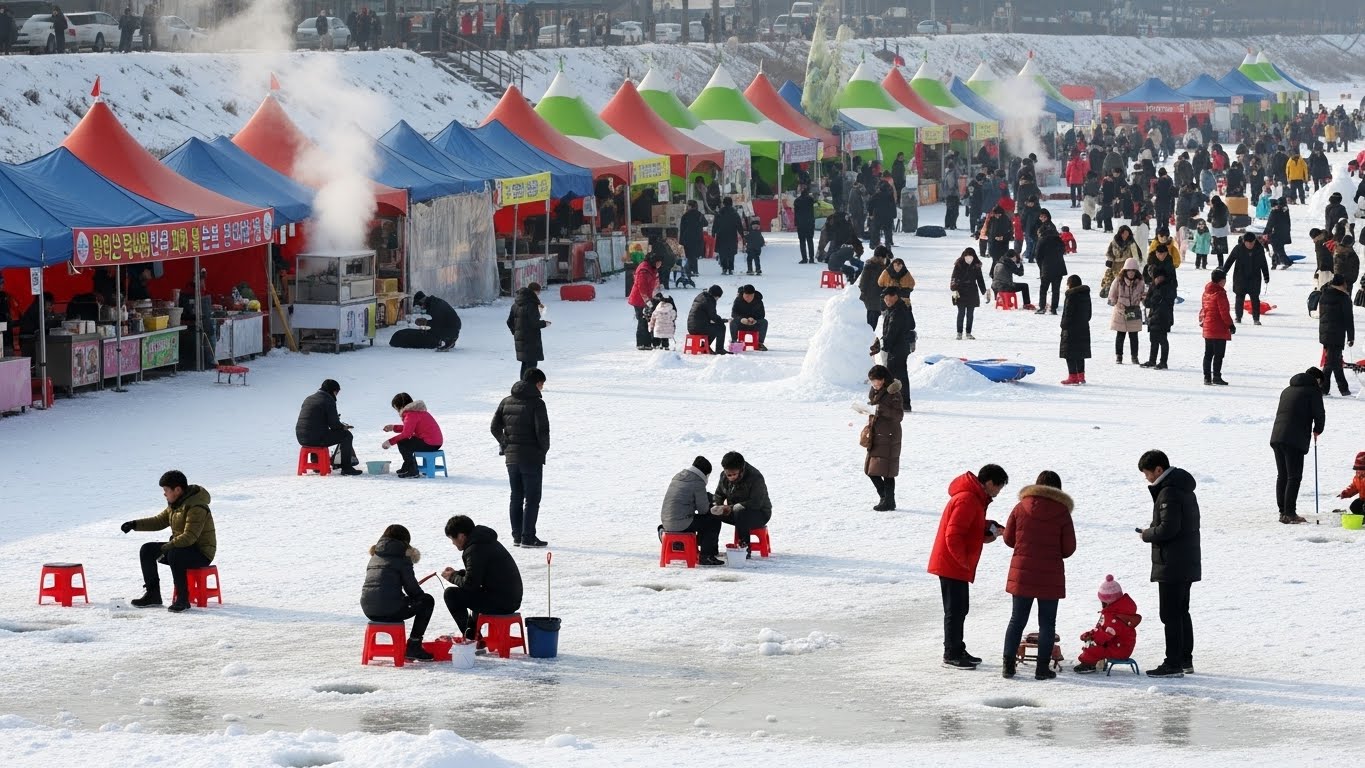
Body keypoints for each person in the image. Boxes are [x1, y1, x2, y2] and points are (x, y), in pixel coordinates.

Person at [927, 464, 1008, 669]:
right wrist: (962, 561)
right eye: (999, 487)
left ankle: (957, 648)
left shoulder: (974, 499)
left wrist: (991, 529)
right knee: (955, 610)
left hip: (956, 564)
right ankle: (951, 653)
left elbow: (972, 527)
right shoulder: (967, 499)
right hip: (951, 564)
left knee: (961, 608)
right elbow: (953, 535)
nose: (998, 492)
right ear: (989, 483)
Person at [1000, 470, 1076, 680]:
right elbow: (1069, 548)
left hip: (1023, 572)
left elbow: (1008, 538)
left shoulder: (1020, 507)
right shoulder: (1061, 512)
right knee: (1047, 623)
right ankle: (1042, 669)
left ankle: (1008, 666)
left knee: (1017, 619)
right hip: (1050, 575)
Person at [1136, 450, 1201, 678]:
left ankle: (1173, 662)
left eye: (1147, 474)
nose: (1147, 479)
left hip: (1173, 563)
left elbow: (1168, 529)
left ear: (1158, 470)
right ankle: (1185, 660)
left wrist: (1147, 534)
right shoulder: (1181, 488)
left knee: (1170, 614)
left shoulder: (1169, 492)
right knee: (1182, 611)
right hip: (1185, 561)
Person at [118, 470, 216, 613]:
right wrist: (134, 524)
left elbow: (190, 536)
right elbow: (159, 521)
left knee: (175, 554)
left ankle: (183, 598)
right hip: (181, 548)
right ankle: (153, 595)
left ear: (177, 490)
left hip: (201, 553)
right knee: (147, 549)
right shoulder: (176, 504)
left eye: (166, 490)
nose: (164, 494)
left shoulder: (197, 506)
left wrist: (168, 547)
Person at [490, 368, 550, 548]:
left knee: (516, 496)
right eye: (541, 384)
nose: (542, 388)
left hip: (512, 459)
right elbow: (543, 431)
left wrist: (505, 443)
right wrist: (542, 450)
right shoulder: (537, 404)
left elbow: (494, 427)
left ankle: (517, 535)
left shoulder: (506, 401)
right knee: (532, 498)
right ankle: (528, 536)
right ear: (536, 383)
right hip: (531, 457)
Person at [440, 515, 523, 643]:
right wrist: (457, 574)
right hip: (509, 598)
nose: (453, 543)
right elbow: (478, 576)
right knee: (475, 593)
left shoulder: (474, 549)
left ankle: (471, 636)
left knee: (451, 594)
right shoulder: (484, 541)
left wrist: (452, 577)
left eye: (453, 539)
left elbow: (470, 584)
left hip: (502, 602)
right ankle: (473, 633)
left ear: (461, 536)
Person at [361, 524, 436, 661]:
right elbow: (413, 590)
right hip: (391, 610)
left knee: (411, 600)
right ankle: (414, 645)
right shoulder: (402, 557)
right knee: (427, 601)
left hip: (368, 608)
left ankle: (412, 646)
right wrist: (419, 597)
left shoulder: (375, 556)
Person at [1269, 367, 1327, 524]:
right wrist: (1318, 430)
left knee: (1282, 476)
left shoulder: (1287, 390)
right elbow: (1319, 413)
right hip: (1294, 439)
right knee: (1294, 477)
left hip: (1277, 436)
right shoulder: (1312, 391)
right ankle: (1290, 513)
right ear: (1317, 380)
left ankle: (1283, 512)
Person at [853, 364, 904, 511]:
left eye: (875, 380)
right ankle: (885, 498)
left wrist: (880, 409)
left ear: (883, 379)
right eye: (871, 381)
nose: (873, 384)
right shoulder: (876, 392)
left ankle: (889, 501)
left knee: (886, 471)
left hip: (889, 436)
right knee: (871, 470)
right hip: (877, 434)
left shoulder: (894, 393)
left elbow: (898, 416)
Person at [660, 456, 723, 566]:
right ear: (705, 474)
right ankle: (707, 555)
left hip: (667, 522)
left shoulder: (678, 477)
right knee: (713, 520)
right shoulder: (698, 482)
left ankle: (678, 544)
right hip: (681, 523)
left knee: (701, 521)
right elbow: (703, 510)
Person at [1073, 575, 1142, 674]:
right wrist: (1091, 634)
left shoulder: (1115, 617)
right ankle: (1094, 661)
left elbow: (1104, 635)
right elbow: (1101, 628)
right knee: (1093, 644)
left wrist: (1092, 638)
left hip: (1119, 649)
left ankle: (1088, 664)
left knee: (1094, 648)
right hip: (1115, 645)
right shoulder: (1113, 612)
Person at [295, 379, 362, 476]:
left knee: (317, 430)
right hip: (316, 439)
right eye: (337, 392)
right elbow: (334, 425)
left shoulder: (309, 398)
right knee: (346, 436)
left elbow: (313, 421)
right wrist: (343, 427)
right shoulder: (328, 400)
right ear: (333, 391)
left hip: (301, 438)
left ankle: (316, 463)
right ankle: (347, 468)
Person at [712, 451, 771, 556]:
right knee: (711, 512)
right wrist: (718, 505)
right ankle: (710, 548)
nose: (731, 477)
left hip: (759, 513)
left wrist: (732, 507)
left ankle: (744, 549)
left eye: (734, 474)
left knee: (741, 512)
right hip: (733, 512)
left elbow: (756, 502)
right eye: (728, 474)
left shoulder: (755, 477)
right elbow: (719, 494)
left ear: (741, 469)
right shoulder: (723, 476)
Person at [382, 393, 444, 478]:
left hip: (429, 443)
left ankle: (412, 470)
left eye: (396, 407)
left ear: (400, 405)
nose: (396, 410)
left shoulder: (411, 414)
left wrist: (389, 442)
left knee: (403, 442)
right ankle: (407, 466)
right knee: (408, 442)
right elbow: (410, 427)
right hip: (435, 442)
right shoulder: (417, 412)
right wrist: (393, 427)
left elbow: (407, 433)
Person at [874, 287, 915, 411]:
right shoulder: (895, 309)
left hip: (898, 348)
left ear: (895, 296)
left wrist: (885, 345)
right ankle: (900, 403)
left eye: (888, 298)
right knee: (897, 375)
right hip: (898, 347)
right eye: (885, 299)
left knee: (897, 376)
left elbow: (892, 331)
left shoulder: (898, 311)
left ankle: (902, 403)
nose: (886, 301)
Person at [1318, 275, 1356, 397]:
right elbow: (1348, 319)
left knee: (1335, 361)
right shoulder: (1343, 298)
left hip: (1325, 332)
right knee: (1331, 363)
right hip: (1336, 333)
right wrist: (1351, 337)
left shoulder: (1324, 294)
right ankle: (1332, 389)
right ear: (1341, 284)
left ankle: (1339, 389)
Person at [1140, 246, 1177, 370]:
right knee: (1153, 339)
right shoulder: (1153, 286)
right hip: (1153, 316)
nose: (1156, 279)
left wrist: (1152, 301)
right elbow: (1148, 302)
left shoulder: (1167, 287)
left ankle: (1163, 362)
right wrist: (1147, 301)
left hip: (1163, 316)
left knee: (1162, 339)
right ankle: (1152, 360)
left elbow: (1164, 299)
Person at [1198, 269, 1235, 386]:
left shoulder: (1206, 292)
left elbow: (1203, 309)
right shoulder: (1220, 294)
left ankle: (1207, 377)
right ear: (1222, 280)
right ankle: (1217, 376)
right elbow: (1224, 312)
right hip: (1218, 328)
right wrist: (1230, 325)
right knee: (1219, 354)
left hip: (1208, 327)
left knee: (1208, 353)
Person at [507, 282, 548, 376]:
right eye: (538, 293)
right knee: (532, 365)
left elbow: (509, 321)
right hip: (531, 339)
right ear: (534, 292)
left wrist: (517, 332)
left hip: (521, 339)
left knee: (525, 363)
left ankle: (523, 385)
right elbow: (534, 323)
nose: (538, 295)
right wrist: (545, 323)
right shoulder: (531, 305)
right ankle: (529, 387)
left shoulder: (516, 304)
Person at [1059, 275, 1092, 386]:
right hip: (1083, 327)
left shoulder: (1071, 295)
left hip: (1071, 329)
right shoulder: (1086, 295)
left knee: (1070, 354)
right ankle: (1081, 376)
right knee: (1080, 354)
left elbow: (1068, 313)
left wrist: (1063, 325)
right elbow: (1089, 314)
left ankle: (1072, 377)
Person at [950, 248, 987, 340]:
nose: (969, 258)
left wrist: (984, 292)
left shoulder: (976, 266)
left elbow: (980, 280)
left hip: (972, 292)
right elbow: (954, 277)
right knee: (961, 313)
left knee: (970, 314)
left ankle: (968, 332)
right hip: (960, 291)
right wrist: (954, 289)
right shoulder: (959, 265)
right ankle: (959, 333)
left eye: (971, 257)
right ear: (964, 256)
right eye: (967, 256)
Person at [627, 257, 662, 350]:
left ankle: (647, 343)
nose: (660, 265)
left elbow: (655, 283)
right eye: (659, 263)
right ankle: (642, 343)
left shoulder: (652, 268)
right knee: (642, 320)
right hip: (639, 299)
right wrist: (648, 303)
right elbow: (642, 289)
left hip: (647, 298)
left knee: (647, 320)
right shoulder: (643, 270)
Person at [1034, 223, 1068, 315]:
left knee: (1043, 289)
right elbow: (1063, 251)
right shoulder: (1058, 240)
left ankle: (1042, 307)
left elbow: (1037, 256)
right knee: (1056, 290)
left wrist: (1041, 267)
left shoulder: (1042, 240)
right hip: (1059, 268)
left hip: (1046, 268)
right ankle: (1053, 308)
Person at [687, 285, 728, 354]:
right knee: (721, 327)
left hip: (691, 327)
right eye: (718, 297)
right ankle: (719, 349)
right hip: (699, 328)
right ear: (715, 295)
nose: (717, 299)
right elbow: (713, 317)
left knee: (714, 326)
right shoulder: (710, 300)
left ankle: (705, 345)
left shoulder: (701, 297)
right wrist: (723, 320)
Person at [857, 246, 889, 329]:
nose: (884, 259)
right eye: (884, 257)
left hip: (876, 302)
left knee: (870, 326)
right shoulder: (870, 267)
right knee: (870, 327)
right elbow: (862, 284)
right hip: (871, 303)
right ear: (880, 257)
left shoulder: (881, 267)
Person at [729, 285, 767, 350]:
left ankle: (760, 343)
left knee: (764, 322)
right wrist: (741, 319)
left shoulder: (758, 301)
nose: (749, 298)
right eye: (747, 296)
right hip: (742, 324)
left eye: (751, 296)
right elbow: (733, 314)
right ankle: (734, 341)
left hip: (753, 324)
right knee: (732, 321)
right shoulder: (738, 300)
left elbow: (762, 315)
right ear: (743, 294)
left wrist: (754, 319)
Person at [711, 197, 742, 275]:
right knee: (731, 253)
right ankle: (731, 268)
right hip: (732, 235)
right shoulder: (735, 213)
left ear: (723, 203)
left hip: (721, 235)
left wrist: (713, 233)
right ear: (731, 203)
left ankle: (724, 268)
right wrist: (742, 234)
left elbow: (715, 224)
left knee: (723, 253)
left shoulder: (719, 213)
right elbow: (739, 225)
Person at [1264, 197, 1292, 269]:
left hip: (1276, 234)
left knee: (1277, 250)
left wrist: (1265, 233)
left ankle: (1286, 262)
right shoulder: (1285, 211)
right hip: (1283, 234)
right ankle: (1275, 263)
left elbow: (1270, 224)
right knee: (1277, 249)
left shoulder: (1275, 212)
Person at [679, 201, 705, 276]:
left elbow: (682, 229)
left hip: (687, 238)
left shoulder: (685, 216)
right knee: (694, 255)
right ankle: (694, 270)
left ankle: (690, 270)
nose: (687, 207)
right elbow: (705, 223)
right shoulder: (700, 215)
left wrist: (681, 241)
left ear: (690, 206)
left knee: (689, 255)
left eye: (688, 206)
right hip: (697, 238)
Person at [794, 185, 816, 263]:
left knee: (802, 241)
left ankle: (804, 258)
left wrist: (795, 223)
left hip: (801, 223)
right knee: (810, 241)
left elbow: (795, 213)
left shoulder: (797, 201)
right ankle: (811, 258)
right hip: (810, 223)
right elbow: (815, 200)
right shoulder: (810, 199)